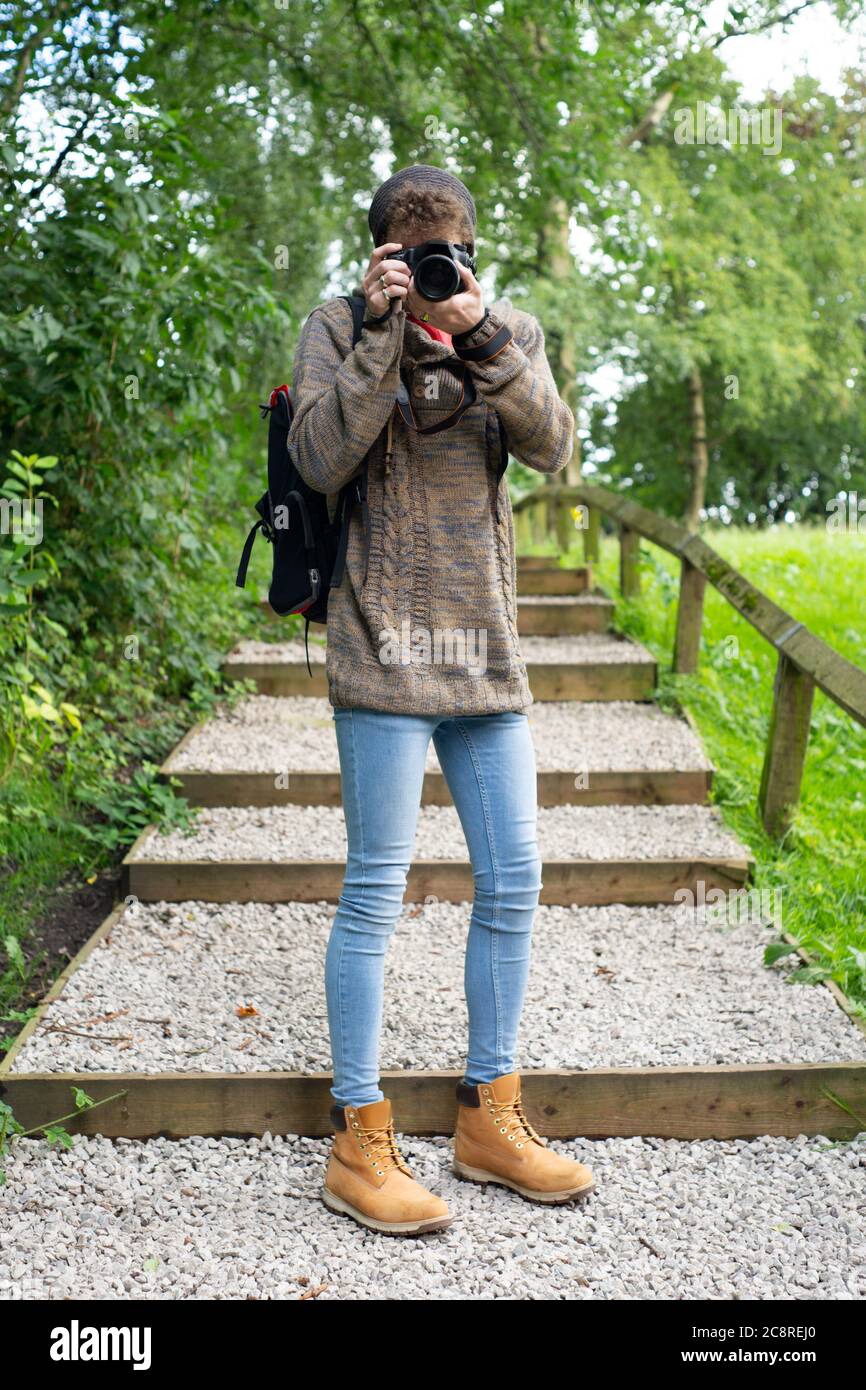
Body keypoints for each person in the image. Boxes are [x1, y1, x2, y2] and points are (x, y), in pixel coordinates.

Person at [287, 164, 595, 1235]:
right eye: (412, 252)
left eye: (448, 250)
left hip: (487, 660)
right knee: (375, 891)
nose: (430, 268)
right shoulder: (336, 329)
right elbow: (321, 459)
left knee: (514, 880)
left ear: (470, 250)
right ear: (376, 253)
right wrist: (379, 336)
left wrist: (479, 333)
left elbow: (554, 446)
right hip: (380, 653)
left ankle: (487, 1115)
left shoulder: (504, 330)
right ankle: (357, 1138)